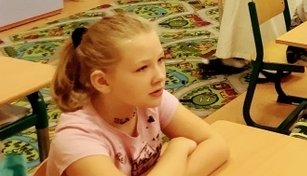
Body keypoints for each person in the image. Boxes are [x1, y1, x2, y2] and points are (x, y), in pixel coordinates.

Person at [46, 13, 229, 176]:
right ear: (102, 81)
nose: (160, 76)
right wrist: (178, 148)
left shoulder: (149, 99)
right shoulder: (77, 139)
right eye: (142, 68)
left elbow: (217, 146)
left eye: (160, 60)